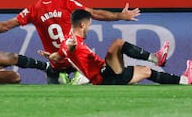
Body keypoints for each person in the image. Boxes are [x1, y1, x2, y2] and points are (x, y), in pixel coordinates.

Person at [0, 0, 141, 84]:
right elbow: (94, 14)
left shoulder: (33, 10)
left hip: (55, 65)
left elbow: (5, 26)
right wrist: (121, 16)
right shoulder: (67, 3)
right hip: (78, 63)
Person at [39, 9, 192, 85]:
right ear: (82, 25)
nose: (89, 28)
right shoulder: (71, 42)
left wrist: (49, 55)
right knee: (118, 44)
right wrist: (70, 48)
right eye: (89, 25)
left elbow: (57, 56)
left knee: (147, 71)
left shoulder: (67, 42)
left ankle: (184, 80)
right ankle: (156, 58)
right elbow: (69, 48)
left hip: (108, 78)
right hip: (103, 75)